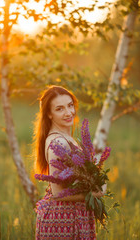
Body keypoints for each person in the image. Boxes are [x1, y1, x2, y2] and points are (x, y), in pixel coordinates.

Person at [33, 85, 102, 240]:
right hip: (62, 220)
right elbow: (58, 193)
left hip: (73, 215)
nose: (69, 112)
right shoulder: (58, 143)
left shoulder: (66, 138)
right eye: (60, 109)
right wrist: (93, 193)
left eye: (70, 106)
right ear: (49, 114)